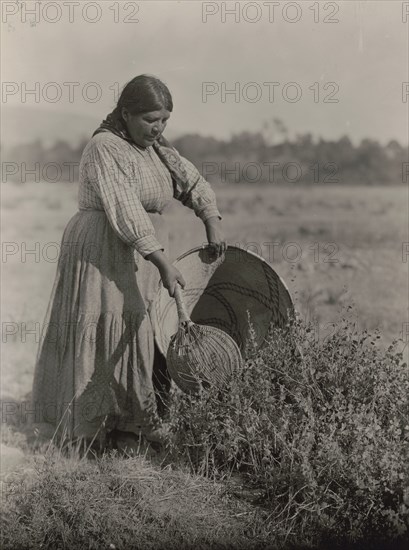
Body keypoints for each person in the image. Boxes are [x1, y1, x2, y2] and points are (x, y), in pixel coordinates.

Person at [31, 74, 226, 450]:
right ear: (126, 114)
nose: (158, 128)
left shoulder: (155, 148)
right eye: (150, 119)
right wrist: (162, 261)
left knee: (140, 328)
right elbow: (125, 208)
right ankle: (90, 430)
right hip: (104, 245)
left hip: (140, 248)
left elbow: (191, 180)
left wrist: (211, 219)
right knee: (106, 325)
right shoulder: (106, 147)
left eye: (165, 120)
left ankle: (130, 425)